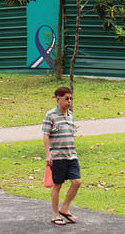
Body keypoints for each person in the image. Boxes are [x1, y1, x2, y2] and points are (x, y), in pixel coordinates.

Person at [42, 86, 81, 225]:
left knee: (77, 182)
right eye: (66, 99)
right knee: (57, 186)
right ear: (58, 99)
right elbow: (46, 135)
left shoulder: (70, 115)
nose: (69, 101)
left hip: (71, 155)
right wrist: (48, 155)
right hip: (57, 156)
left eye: (71, 99)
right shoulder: (50, 115)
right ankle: (55, 215)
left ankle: (65, 208)